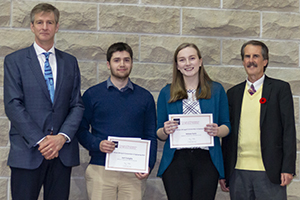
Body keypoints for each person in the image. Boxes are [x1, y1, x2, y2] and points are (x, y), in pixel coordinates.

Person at [3, 3, 84, 200]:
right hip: (27, 152)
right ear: (32, 26)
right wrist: (41, 141)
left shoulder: (70, 62)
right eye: (40, 22)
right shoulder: (15, 61)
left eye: (50, 22)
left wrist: (61, 137)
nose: (44, 27)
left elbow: (77, 105)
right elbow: (13, 104)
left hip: (61, 152)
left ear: (57, 27)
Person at [76, 42, 157, 200]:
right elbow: (80, 130)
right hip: (101, 169)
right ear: (108, 64)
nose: (122, 64)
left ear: (132, 63)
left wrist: (149, 164)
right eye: (117, 60)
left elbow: (150, 134)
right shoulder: (92, 95)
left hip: (134, 171)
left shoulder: (145, 97)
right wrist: (97, 144)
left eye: (126, 60)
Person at [220, 40, 296, 200]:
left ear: (265, 61)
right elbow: (228, 136)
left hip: (270, 171)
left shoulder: (279, 89)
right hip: (238, 171)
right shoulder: (233, 93)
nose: (251, 60)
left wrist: (288, 168)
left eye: (256, 56)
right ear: (243, 61)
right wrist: (224, 172)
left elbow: (289, 130)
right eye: (247, 56)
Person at [156, 43, 231, 200]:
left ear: (200, 61)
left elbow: (226, 126)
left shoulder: (216, 90)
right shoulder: (166, 92)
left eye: (192, 58)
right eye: (182, 60)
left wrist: (217, 130)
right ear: (177, 65)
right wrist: (165, 130)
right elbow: (159, 133)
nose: (188, 63)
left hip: (207, 159)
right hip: (176, 160)